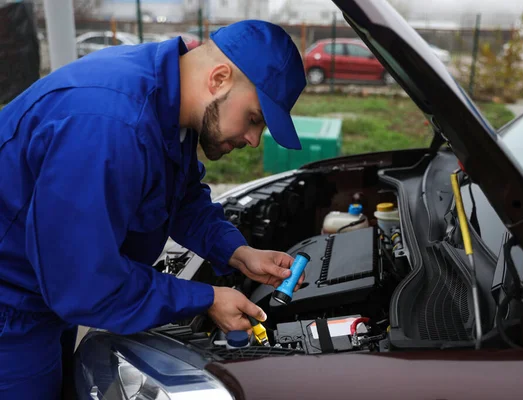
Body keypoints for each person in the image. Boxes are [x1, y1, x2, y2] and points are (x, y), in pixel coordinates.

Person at [0, 20, 306, 398]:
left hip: (42, 295)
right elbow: (83, 282)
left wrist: (238, 252)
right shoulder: (110, 126)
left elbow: (181, 198)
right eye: (255, 119)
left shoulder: (168, 102)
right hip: (10, 311)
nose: (254, 139)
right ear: (220, 78)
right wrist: (205, 299)